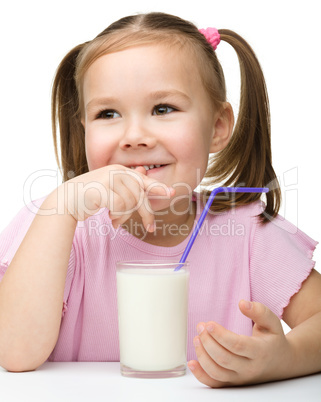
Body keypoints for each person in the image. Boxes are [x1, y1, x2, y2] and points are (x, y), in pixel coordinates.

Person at [0, 11, 320, 387]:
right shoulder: (53, 223)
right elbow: (15, 352)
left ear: (217, 127)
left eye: (163, 109)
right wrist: (63, 209)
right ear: (83, 128)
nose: (134, 135)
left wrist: (285, 358)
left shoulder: (247, 232)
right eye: (108, 113)